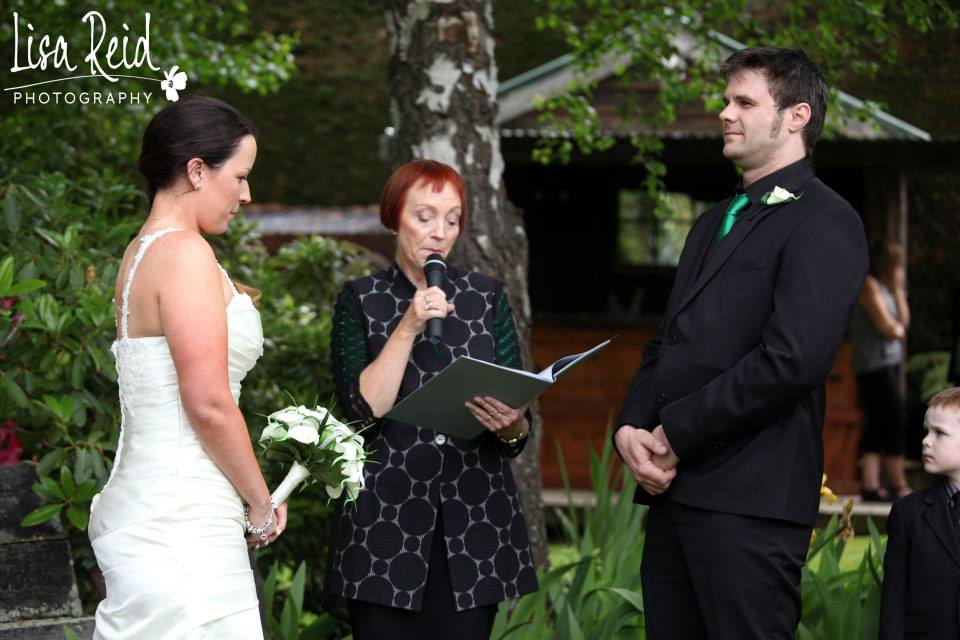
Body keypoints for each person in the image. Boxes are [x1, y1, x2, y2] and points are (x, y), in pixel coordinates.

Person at [614, 47, 868, 639]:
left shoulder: (826, 221)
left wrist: (675, 433)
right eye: (727, 100)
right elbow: (668, 341)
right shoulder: (711, 221)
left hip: (751, 501)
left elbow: (792, 362)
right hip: (674, 495)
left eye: (745, 102)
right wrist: (631, 424)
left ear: (797, 116)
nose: (725, 113)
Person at [88, 97, 287, 639]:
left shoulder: (141, 252)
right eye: (239, 176)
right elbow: (208, 403)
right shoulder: (183, 253)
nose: (246, 194)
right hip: (182, 522)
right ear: (197, 170)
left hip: (152, 503)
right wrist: (261, 502)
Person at [324, 159, 539, 640]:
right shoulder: (361, 299)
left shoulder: (487, 297)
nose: (439, 232)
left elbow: (519, 426)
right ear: (393, 217)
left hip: (475, 526)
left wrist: (511, 425)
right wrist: (408, 327)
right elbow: (360, 414)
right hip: (383, 526)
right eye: (424, 216)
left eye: (452, 219)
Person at [880, 386, 960, 639]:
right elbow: (893, 602)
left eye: (939, 433)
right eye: (927, 431)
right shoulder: (908, 514)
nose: (926, 440)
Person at [849, 242, 911, 502]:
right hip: (873, 365)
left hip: (890, 362)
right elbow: (886, 326)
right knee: (894, 418)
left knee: (880, 422)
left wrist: (898, 290)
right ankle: (896, 483)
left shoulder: (888, 289)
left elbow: (903, 324)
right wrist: (896, 329)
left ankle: (872, 485)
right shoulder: (868, 285)